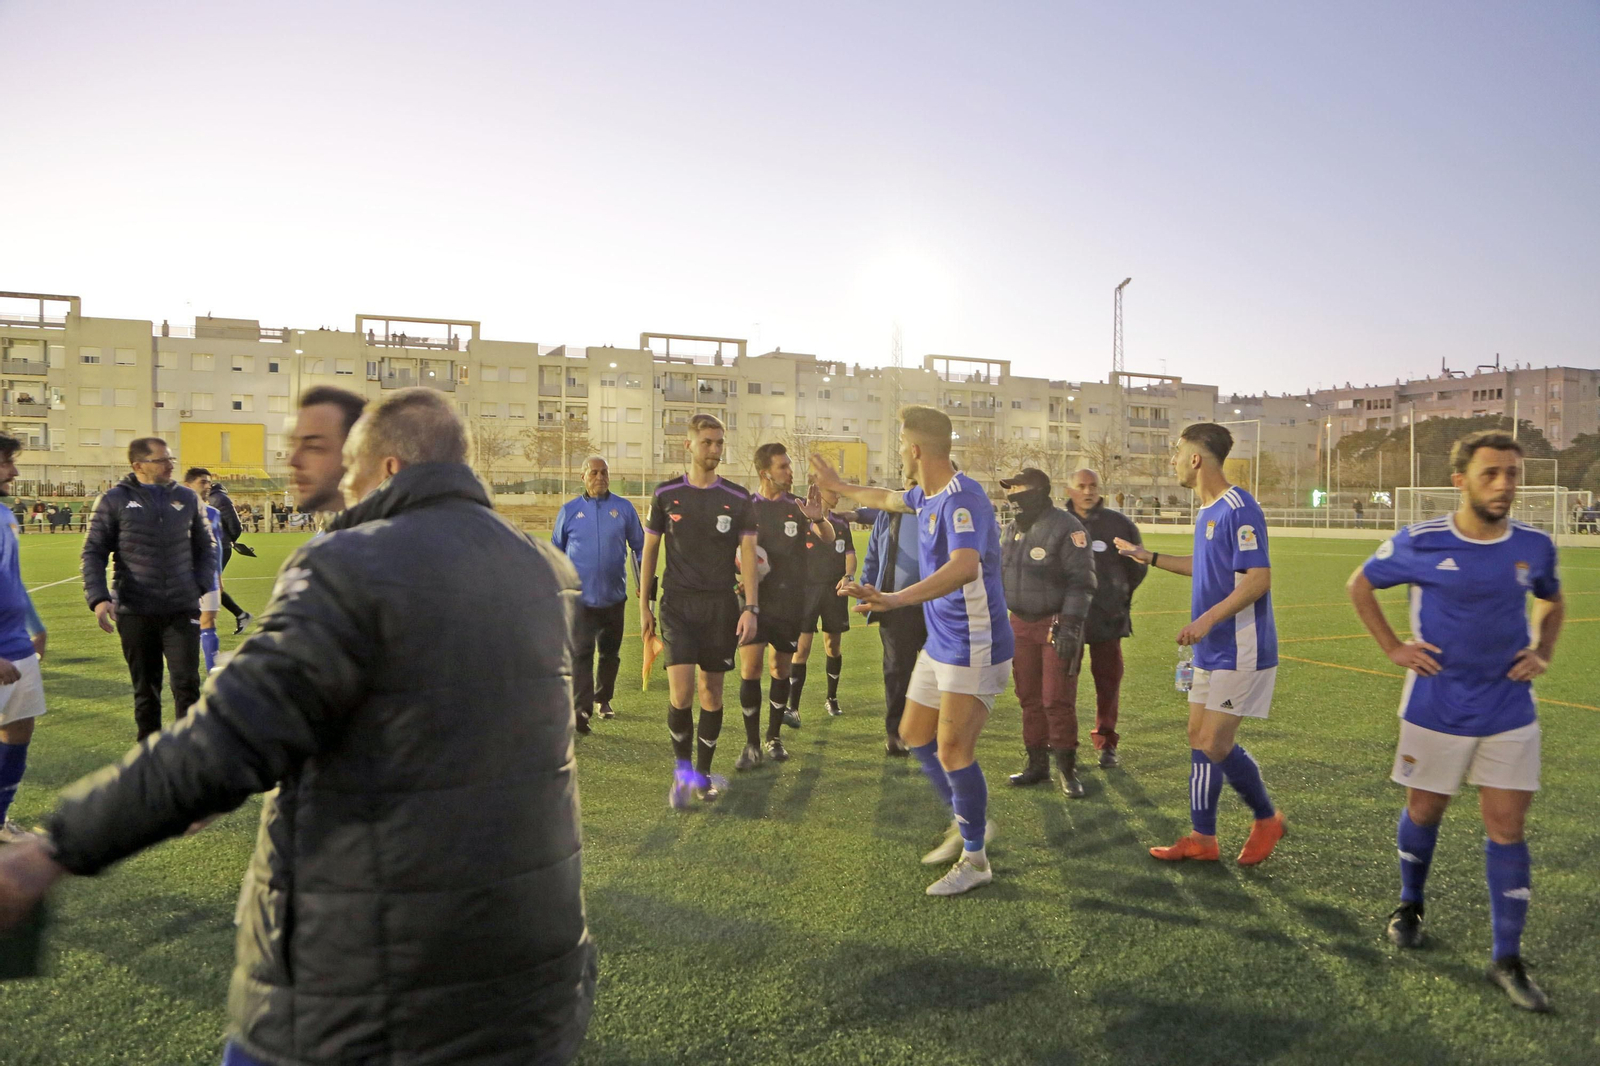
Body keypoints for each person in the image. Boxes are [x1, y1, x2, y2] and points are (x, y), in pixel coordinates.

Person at [0, 388, 596, 1064]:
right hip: (534, 987)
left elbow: (226, 738)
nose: (345, 486)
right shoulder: (547, 570)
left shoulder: (351, 564)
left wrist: (50, 852)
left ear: (392, 469)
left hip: (368, 996)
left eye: (352, 471)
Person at [1347, 430, 1564, 1012]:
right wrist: (1394, 647)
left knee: (1507, 829)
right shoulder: (1422, 541)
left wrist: (1542, 649)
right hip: (1436, 706)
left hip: (1508, 707)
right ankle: (1410, 903)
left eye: (1513, 474)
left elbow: (1552, 597)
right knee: (1424, 810)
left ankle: (1506, 958)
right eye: (1491, 473)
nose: (1504, 485)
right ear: (1460, 479)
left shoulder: (1535, 546)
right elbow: (1360, 584)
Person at [812, 405, 1012, 897]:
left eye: (901, 442)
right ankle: (971, 822)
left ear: (917, 449)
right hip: (942, 641)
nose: (899, 450)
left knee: (953, 749)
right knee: (913, 732)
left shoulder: (963, 500)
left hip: (974, 644)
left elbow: (966, 567)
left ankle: (976, 858)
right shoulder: (926, 495)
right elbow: (885, 498)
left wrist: (895, 598)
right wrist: (839, 488)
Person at [1115, 423, 1286, 866]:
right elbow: (1205, 566)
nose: (1172, 459)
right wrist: (1146, 556)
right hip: (1212, 650)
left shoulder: (1238, 506)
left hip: (1240, 647)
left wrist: (1206, 620)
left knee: (1213, 741)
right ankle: (1202, 838)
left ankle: (1267, 818)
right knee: (1198, 736)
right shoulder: (1207, 511)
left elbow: (1257, 579)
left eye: (1176, 451)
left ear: (1196, 458)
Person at [639, 414, 759, 807]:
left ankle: (703, 776)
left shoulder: (739, 499)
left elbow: (748, 556)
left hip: (721, 606)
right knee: (682, 693)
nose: (715, 450)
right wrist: (645, 605)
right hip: (677, 605)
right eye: (707, 442)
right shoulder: (666, 494)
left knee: (711, 692)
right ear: (688, 445)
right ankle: (682, 773)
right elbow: (651, 551)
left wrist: (750, 608)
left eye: (719, 443)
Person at [80, 437, 218, 741]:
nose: (170, 465)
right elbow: (93, 551)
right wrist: (99, 598)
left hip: (181, 609)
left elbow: (207, 546)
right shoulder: (113, 500)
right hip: (135, 609)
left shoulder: (187, 498)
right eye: (162, 460)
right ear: (138, 466)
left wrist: (198, 584)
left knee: (186, 684)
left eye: (170, 459)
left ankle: (187, 753)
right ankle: (149, 753)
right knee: (146, 689)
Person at [997, 468, 1097, 798]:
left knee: (1057, 699)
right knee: (1028, 697)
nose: (1012, 495)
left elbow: (1081, 582)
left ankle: (1067, 770)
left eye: (1019, 488)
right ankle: (1037, 765)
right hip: (1020, 623)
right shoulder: (1012, 528)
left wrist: (1070, 625)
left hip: (1056, 623)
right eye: (1009, 489)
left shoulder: (1067, 527)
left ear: (1039, 490)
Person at [734, 443, 832, 768]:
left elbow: (828, 537)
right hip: (753, 602)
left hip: (790, 601)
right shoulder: (746, 507)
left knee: (781, 668)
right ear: (766, 473)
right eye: (783, 467)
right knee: (751, 669)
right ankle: (751, 745)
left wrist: (819, 520)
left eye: (789, 466)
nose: (790, 472)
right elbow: (729, 552)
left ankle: (773, 737)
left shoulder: (798, 506)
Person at [551, 456, 644, 733]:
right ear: (583, 477)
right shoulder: (569, 511)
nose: (600, 477)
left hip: (615, 597)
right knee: (581, 653)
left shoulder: (624, 509)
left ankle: (604, 699)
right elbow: (556, 552)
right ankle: (581, 710)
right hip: (580, 599)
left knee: (610, 653)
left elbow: (640, 548)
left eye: (604, 473)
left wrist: (643, 582)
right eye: (594, 472)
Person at [1065, 467, 1147, 768]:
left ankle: (1106, 743)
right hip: (1068, 620)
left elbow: (1137, 565)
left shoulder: (1119, 524)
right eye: (1081, 486)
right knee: (1062, 684)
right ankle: (1063, 742)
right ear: (1069, 491)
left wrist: (1117, 599)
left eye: (1093, 486)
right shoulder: (1058, 523)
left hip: (1107, 620)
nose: (1088, 491)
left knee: (1108, 684)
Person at [0, 434, 49, 844]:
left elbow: (11, 579)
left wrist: (36, 625)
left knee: (19, 730)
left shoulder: (4, 515)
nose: (14, 472)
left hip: (18, 645)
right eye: (5, 463)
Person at [856, 474, 926, 756]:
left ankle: (934, 732)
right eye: (908, 480)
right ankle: (895, 733)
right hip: (895, 608)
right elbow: (873, 553)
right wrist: (865, 590)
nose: (910, 485)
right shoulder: (891, 512)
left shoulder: (950, 510)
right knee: (897, 671)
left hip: (940, 607)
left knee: (944, 674)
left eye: (915, 480)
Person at [787, 495, 856, 725]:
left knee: (833, 645)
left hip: (833, 591)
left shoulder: (842, 523)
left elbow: (850, 554)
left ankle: (831, 697)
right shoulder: (801, 520)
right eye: (834, 491)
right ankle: (792, 707)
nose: (837, 496)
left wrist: (848, 576)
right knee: (801, 649)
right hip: (806, 592)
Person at [288, 386, 368, 514]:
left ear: (357, 454)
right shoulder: (333, 532)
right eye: (292, 444)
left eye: (313, 447)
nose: (293, 461)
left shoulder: (393, 533)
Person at [183, 468, 227, 674]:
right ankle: (183, 668)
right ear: (187, 485)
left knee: (209, 620)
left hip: (208, 577)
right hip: (182, 577)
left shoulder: (214, 514)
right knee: (183, 627)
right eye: (202, 482)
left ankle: (212, 671)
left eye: (209, 482)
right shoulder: (176, 512)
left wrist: (218, 574)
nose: (208, 486)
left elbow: (216, 547)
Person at [208, 480, 255, 634]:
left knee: (209, 584)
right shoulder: (212, 498)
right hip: (214, 545)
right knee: (207, 584)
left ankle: (240, 614)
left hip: (219, 545)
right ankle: (241, 615)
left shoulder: (219, 499)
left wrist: (229, 540)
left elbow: (235, 524)